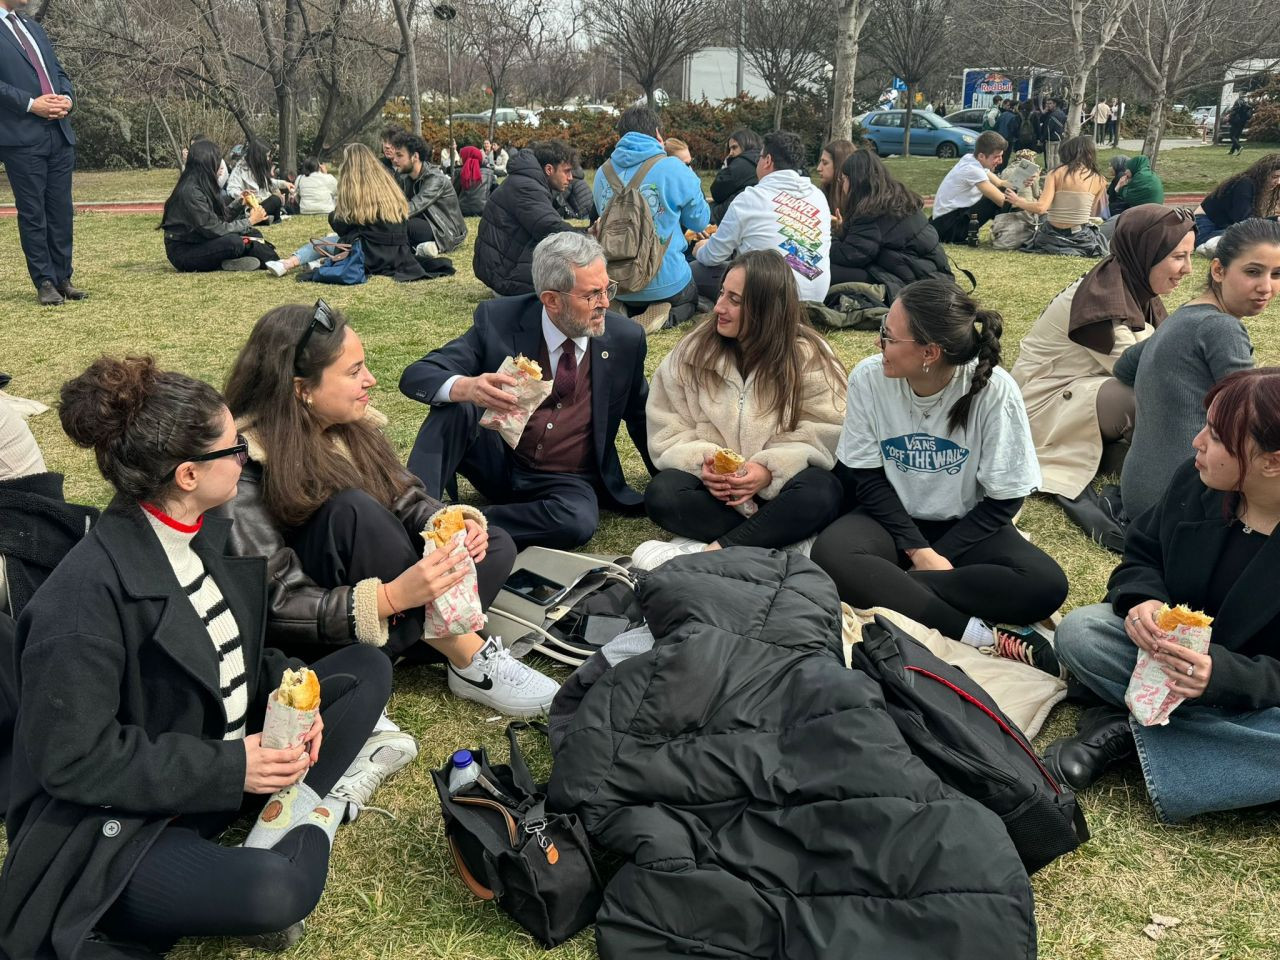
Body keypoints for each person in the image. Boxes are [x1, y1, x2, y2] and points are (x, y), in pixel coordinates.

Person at [0, 356, 398, 958]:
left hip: (212, 757)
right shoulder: (80, 604)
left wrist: (295, 704)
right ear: (188, 473)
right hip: (120, 821)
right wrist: (232, 767)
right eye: (234, 447)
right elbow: (72, 760)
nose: (245, 455)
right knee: (274, 892)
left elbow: (234, 653)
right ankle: (316, 807)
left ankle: (288, 803)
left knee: (366, 668)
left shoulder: (201, 531)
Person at [218, 302, 560, 717]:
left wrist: (450, 525)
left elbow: (406, 498)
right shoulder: (245, 464)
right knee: (354, 513)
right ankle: (470, 658)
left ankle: (408, 641)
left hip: (384, 608)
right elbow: (277, 601)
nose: (371, 380)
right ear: (301, 388)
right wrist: (389, 597)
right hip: (323, 623)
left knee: (494, 544)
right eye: (353, 372)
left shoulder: (350, 429)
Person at [1045, 368, 1280, 822]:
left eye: (1215, 436)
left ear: (1272, 461)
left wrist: (1223, 678)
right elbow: (1143, 553)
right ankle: (1207, 750)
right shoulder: (1199, 484)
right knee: (1082, 632)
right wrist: (1141, 600)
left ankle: (1129, 736)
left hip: (1258, 693)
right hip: (1165, 663)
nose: (1196, 442)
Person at [811, 278, 1068, 672]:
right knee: (831, 553)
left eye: (888, 336)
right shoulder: (868, 377)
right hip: (889, 518)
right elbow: (866, 477)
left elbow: (1006, 497)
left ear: (929, 352)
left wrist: (941, 554)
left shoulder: (994, 391)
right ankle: (978, 634)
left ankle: (886, 586)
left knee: (1045, 584)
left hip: (968, 525)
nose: (878, 343)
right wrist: (919, 551)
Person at [401, 232, 653, 550]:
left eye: (607, 289)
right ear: (551, 299)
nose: (605, 303)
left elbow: (641, 415)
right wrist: (468, 386)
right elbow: (418, 375)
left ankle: (461, 526)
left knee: (577, 521)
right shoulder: (499, 320)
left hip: (566, 479)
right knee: (455, 404)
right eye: (592, 295)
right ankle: (417, 516)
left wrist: (667, 485)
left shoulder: (625, 339)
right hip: (499, 461)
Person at [636, 250, 846, 567]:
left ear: (766, 309)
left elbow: (827, 430)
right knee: (662, 493)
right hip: (717, 497)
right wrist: (702, 461)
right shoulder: (691, 353)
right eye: (722, 293)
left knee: (823, 491)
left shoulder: (809, 356)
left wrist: (768, 469)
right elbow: (667, 427)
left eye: (735, 300)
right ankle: (775, 543)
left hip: (782, 491)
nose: (719, 307)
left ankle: (721, 549)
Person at [1011, 205, 1196, 542]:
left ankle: (1133, 457)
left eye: (1190, 256)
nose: (1188, 270)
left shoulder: (1130, 284)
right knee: (1148, 396)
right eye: (1178, 257)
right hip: (1040, 408)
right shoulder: (1101, 301)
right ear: (1145, 252)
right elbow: (1153, 370)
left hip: (1082, 392)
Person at [1116, 219, 1280, 521]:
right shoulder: (1221, 327)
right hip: (1183, 499)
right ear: (1218, 271)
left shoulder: (1185, 316)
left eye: (1277, 274)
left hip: (1139, 491)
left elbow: (1123, 366)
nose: (1266, 287)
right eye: (1253, 272)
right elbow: (1258, 416)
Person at [593, 106, 710, 328]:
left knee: (624, 293)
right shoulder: (673, 167)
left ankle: (621, 307)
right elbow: (700, 221)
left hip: (618, 282)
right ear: (657, 134)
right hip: (667, 283)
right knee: (690, 297)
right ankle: (665, 313)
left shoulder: (601, 173)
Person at [0, 0, 81, 305]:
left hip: (59, 133)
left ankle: (63, 278)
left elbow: (58, 72)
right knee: (34, 212)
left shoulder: (33, 27)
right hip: (21, 136)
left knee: (61, 210)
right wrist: (32, 104)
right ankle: (44, 281)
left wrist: (67, 99)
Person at [263, 143, 438, 282]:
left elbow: (341, 224)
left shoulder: (354, 192)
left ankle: (287, 263)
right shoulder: (389, 185)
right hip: (397, 252)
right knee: (339, 241)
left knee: (326, 242)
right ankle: (314, 261)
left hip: (370, 254)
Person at [691, 130, 832, 302]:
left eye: (759, 157)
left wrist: (700, 248)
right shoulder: (817, 196)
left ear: (768, 160)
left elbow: (714, 256)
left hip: (767, 295)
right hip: (814, 297)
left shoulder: (751, 198)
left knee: (692, 272)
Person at [829, 149, 951, 298]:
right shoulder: (892, 198)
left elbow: (850, 255)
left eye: (843, 179)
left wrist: (828, 239)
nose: (842, 186)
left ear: (855, 181)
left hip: (911, 283)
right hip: (932, 277)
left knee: (825, 271)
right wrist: (841, 230)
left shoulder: (871, 211)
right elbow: (861, 245)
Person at [472, 138, 580, 297]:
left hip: (500, 268)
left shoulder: (527, 181)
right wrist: (588, 234)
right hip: (505, 277)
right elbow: (549, 227)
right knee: (574, 274)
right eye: (567, 171)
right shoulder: (527, 187)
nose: (571, 177)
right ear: (549, 169)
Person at [159, 138, 277, 272]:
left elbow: (218, 219)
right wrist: (250, 220)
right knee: (234, 242)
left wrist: (239, 202)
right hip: (184, 251)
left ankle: (230, 261)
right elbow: (215, 229)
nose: (221, 170)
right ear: (206, 165)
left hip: (200, 240)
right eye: (217, 164)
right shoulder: (191, 192)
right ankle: (223, 263)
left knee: (254, 234)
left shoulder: (200, 186)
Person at [1004, 134, 1108, 258]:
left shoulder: (1056, 173)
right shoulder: (1100, 180)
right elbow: (1091, 211)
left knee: (1042, 220)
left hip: (1051, 236)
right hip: (1080, 238)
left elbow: (1041, 208)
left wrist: (1018, 201)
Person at [388, 130, 466, 255]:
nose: (394, 159)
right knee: (392, 225)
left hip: (444, 231)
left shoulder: (435, 179)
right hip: (424, 221)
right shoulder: (405, 177)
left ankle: (422, 247)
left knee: (401, 225)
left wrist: (384, 215)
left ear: (415, 157)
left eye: (399, 155)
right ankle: (419, 248)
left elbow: (413, 207)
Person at [930, 131, 1014, 245]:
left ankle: (1011, 230)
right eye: (996, 157)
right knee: (996, 200)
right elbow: (1002, 201)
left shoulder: (971, 158)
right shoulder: (972, 170)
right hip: (948, 229)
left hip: (943, 223)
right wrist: (1031, 206)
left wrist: (1023, 181)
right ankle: (1014, 232)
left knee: (1005, 193)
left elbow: (1000, 183)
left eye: (1001, 156)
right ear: (981, 156)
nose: (1000, 161)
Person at [1193, 153, 1280, 249]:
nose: (1278, 182)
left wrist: (1275, 220)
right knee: (1252, 238)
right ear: (1263, 174)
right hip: (1205, 228)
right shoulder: (1244, 183)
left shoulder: (1256, 186)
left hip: (1222, 228)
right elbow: (1246, 222)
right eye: (1274, 177)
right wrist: (1275, 220)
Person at [225, 139, 293, 223]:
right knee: (275, 200)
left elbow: (269, 182)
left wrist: (284, 183)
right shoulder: (239, 169)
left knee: (279, 202)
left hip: (262, 203)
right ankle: (270, 219)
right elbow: (231, 189)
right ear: (259, 156)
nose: (268, 159)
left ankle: (271, 218)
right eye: (267, 156)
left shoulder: (258, 168)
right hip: (251, 207)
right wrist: (243, 195)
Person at [709, 127, 762, 224]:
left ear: (747, 143)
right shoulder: (761, 161)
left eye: (734, 147)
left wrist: (725, 168)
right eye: (730, 149)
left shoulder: (742, 163)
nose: (731, 153)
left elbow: (717, 192)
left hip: (730, 216)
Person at [817, 138, 856, 230]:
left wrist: (841, 226)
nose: (818, 168)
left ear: (839, 165)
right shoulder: (820, 195)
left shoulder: (859, 198)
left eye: (825, 163)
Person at [452, 143, 495, 216]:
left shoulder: (459, 172)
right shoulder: (489, 173)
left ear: (466, 156)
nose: (460, 159)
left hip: (462, 210)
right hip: (483, 209)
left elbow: (454, 192)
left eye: (461, 156)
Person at [553, 156, 597, 222]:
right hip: (591, 210)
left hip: (584, 214)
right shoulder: (579, 178)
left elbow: (560, 199)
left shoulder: (569, 180)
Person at [1042, 98, 1067, 170]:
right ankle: (1057, 170)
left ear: (1054, 104)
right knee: (1056, 155)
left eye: (1050, 103)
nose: (1047, 105)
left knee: (1050, 156)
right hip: (1059, 137)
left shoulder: (1052, 115)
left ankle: (1050, 171)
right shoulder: (1062, 113)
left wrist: (1043, 138)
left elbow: (1048, 129)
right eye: (1047, 104)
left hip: (1051, 138)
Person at [1104, 155, 1130, 220]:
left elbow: (1114, 195)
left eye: (1110, 166)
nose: (1108, 168)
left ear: (1117, 166)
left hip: (1116, 212)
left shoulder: (1120, 176)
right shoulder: (1123, 175)